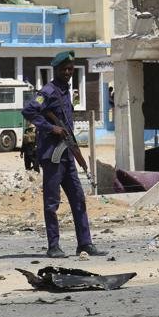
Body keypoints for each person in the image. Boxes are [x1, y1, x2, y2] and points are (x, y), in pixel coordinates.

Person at [22, 50, 107, 258]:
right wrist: (51, 128)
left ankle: (85, 243)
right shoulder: (47, 92)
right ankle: (53, 246)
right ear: (56, 69)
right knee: (52, 203)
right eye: (64, 69)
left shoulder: (66, 91)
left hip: (67, 154)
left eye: (70, 69)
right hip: (52, 155)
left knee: (78, 199)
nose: (68, 72)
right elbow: (28, 111)